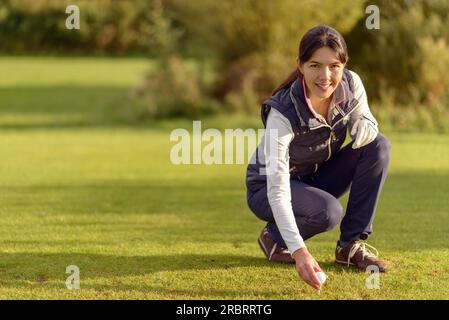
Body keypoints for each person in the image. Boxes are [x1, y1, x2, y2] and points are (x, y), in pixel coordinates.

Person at [245, 25, 391, 290]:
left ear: (344, 65)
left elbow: (367, 116)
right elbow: (277, 191)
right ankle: (274, 237)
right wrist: (300, 253)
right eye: (315, 65)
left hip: (314, 177)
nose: (325, 76)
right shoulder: (282, 113)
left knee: (378, 145)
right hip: (266, 188)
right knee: (327, 213)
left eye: (334, 66)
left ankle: (349, 247)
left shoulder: (352, 82)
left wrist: (365, 125)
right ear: (300, 66)